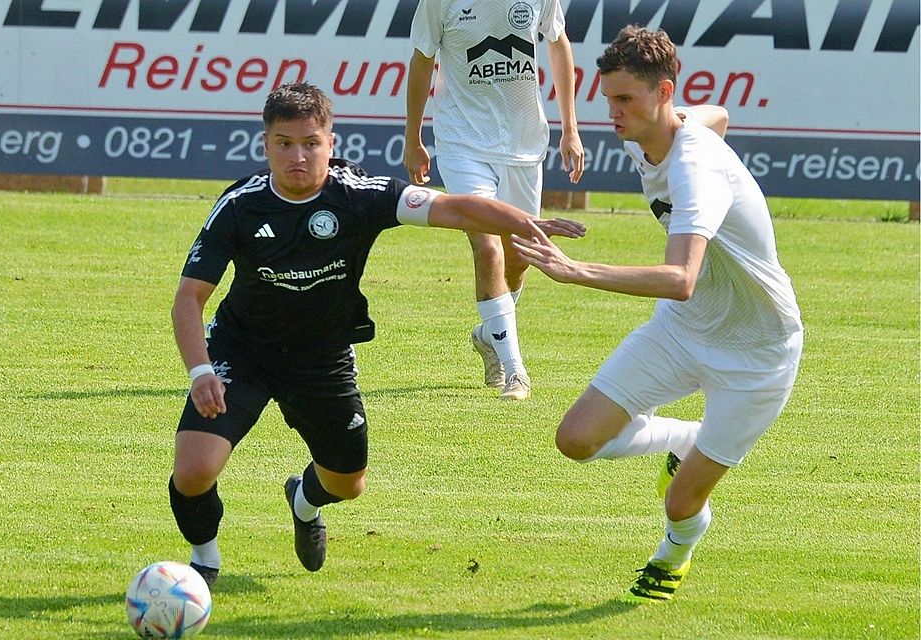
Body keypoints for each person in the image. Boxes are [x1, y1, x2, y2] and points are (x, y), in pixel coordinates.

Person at [168, 82, 585, 585]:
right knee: (194, 470)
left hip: (322, 357)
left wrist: (524, 222)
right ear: (266, 145)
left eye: (310, 143)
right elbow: (189, 299)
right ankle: (203, 564)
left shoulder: (360, 195)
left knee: (347, 484)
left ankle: (303, 500)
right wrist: (200, 371)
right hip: (243, 351)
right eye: (284, 144)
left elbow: (453, 208)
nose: (298, 156)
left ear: (331, 142)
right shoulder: (240, 205)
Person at [511, 25, 803, 601]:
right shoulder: (656, 132)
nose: (613, 113)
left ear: (664, 91)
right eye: (609, 98)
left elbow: (681, 280)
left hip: (758, 351)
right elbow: (715, 115)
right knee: (574, 439)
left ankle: (674, 553)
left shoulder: (696, 167)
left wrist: (576, 271)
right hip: (683, 334)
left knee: (681, 502)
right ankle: (682, 440)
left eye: (626, 100)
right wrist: (696, 124)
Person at [404, 0, 585, 401]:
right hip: (462, 140)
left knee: (520, 255)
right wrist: (413, 138)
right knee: (486, 247)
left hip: (524, 143)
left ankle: (489, 332)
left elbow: (558, 44)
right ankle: (515, 370)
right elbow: (421, 60)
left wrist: (570, 128)